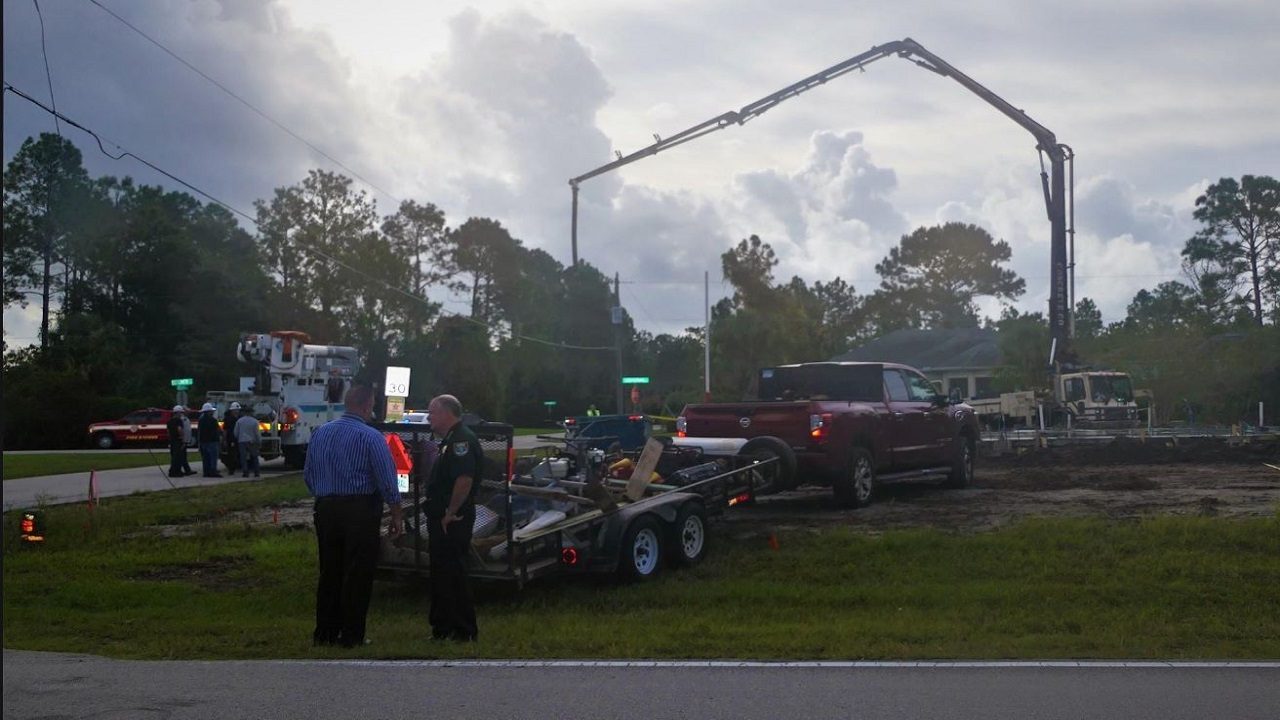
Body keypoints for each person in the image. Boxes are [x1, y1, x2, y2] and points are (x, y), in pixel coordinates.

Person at [304, 384, 403, 648]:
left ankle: (325, 632)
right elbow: (386, 479)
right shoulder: (371, 437)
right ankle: (351, 635)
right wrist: (396, 513)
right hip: (360, 509)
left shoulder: (320, 433)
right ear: (367, 406)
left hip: (326, 508)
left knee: (330, 571)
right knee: (357, 572)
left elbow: (309, 474)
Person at [425, 393, 481, 642]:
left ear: (447, 413)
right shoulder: (450, 440)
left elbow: (464, 479)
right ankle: (443, 626)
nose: (429, 417)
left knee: (454, 572)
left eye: (432, 412)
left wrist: (451, 512)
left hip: (453, 520)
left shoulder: (461, 441)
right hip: (441, 517)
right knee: (442, 573)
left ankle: (463, 629)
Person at [234, 408, 262, 478]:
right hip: (252, 441)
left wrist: (238, 438)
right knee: (254, 457)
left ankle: (245, 472)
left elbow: (236, 432)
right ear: (251, 413)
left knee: (243, 458)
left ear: (244, 413)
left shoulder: (239, 421)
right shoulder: (255, 421)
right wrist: (259, 441)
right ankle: (256, 472)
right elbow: (257, 433)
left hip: (242, 441)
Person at [197, 402, 222, 477]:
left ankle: (206, 472)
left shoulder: (201, 420)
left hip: (203, 441)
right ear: (209, 411)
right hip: (212, 441)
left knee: (205, 458)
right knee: (213, 458)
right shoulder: (213, 420)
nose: (212, 412)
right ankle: (213, 471)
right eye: (211, 411)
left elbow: (199, 431)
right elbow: (217, 430)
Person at [167, 406, 188, 478]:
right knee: (178, 457)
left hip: (172, 440)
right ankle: (176, 472)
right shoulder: (179, 421)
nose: (181, 414)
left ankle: (173, 470)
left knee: (173, 456)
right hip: (178, 440)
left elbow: (168, 432)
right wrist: (182, 439)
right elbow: (179, 429)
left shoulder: (169, 421)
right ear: (178, 413)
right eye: (181, 413)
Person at [223, 402, 241, 474]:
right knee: (231, 454)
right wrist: (224, 440)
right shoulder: (228, 419)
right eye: (235, 410)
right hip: (230, 439)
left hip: (238, 438)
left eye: (238, 410)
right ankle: (231, 469)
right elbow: (225, 430)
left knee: (237, 453)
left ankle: (236, 466)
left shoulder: (239, 418)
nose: (237, 411)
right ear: (232, 410)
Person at [178, 407, 195, 476]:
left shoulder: (186, 418)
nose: (189, 413)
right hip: (183, 440)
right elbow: (183, 430)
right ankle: (186, 470)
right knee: (182, 456)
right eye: (188, 411)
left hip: (186, 440)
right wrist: (184, 440)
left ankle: (187, 469)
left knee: (184, 455)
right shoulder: (182, 419)